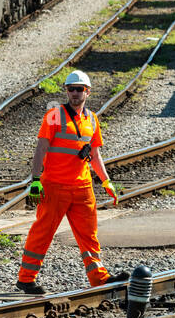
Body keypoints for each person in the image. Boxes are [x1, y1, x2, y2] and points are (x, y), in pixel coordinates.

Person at [16, 70, 128, 295]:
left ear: (87, 92)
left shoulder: (92, 119)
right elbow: (41, 149)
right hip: (54, 185)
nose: (75, 93)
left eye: (79, 89)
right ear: (66, 91)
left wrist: (106, 182)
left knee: (89, 235)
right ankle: (26, 279)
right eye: (71, 89)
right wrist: (35, 180)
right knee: (43, 232)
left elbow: (95, 155)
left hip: (83, 187)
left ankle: (100, 278)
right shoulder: (54, 116)